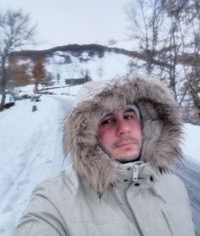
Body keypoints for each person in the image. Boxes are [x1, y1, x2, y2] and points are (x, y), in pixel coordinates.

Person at [15, 75, 195, 236]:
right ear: (88, 135)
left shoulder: (174, 186)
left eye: (129, 115)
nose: (124, 128)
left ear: (144, 125)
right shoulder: (55, 200)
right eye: (108, 120)